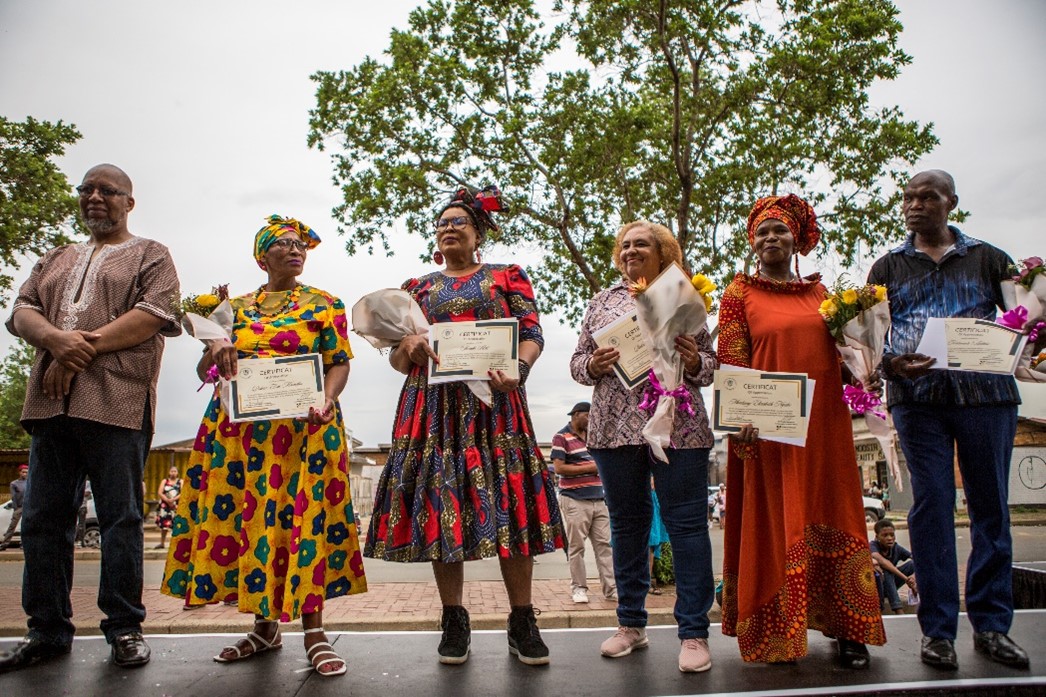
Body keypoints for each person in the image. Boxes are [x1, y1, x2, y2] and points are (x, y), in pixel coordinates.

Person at [161, 215, 367, 677]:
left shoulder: (324, 303)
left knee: (304, 523)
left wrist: (328, 399)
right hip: (241, 438)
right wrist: (213, 350)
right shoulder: (232, 308)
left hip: (305, 434)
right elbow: (204, 375)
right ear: (262, 256)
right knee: (252, 522)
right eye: (284, 244)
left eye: (300, 245)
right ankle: (264, 627)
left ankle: (314, 631)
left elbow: (338, 364)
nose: (296, 250)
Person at [365, 187, 562, 666]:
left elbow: (532, 334)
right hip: (431, 412)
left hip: (496, 406)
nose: (448, 227)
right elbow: (396, 356)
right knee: (441, 500)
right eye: (442, 223)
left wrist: (519, 366)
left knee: (509, 503)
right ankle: (453, 619)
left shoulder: (506, 276)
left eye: (458, 222)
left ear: (479, 233)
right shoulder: (416, 288)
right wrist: (407, 350)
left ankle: (522, 619)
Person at [0, 164, 180, 672]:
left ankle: (124, 627)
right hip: (51, 406)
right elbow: (21, 313)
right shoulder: (56, 258)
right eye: (87, 189)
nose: (95, 197)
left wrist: (74, 348)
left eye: (108, 190)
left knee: (121, 518)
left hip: (116, 403)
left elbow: (153, 314)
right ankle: (47, 631)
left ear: (129, 202)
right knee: (42, 521)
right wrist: (54, 340)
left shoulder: (151, 254)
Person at [868, 169, 1038, 670]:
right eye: (908, 198)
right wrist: (889, 364)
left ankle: (991, 626)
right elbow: (867, 341)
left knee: (990, 509)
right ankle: (937, 631)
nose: (915, 205)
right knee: (932, 507)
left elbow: (1023, 321)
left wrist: (1028, 340)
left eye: (928, 197)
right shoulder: (887, 268)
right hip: (917, 401)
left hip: (986, 397)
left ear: (951, 203)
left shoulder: (990, 259)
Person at [717, 194, 885, 668]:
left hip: (825, 428)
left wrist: (867, 370)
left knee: (834, 509)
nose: (771, 238)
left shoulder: (824, 296)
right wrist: (740, 418)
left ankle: (847, 630)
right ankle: (778, 632)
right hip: (765, 432)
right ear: (753, 242)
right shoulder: (738, 294)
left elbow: (849, 358)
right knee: (775, 518)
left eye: (780, 231)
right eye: (762, 232)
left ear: (797, 239)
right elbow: (731, 359)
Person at [570, 220, 717, 673]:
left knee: (688, 527)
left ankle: (693, 634)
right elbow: (577, 365)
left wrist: (695, 360)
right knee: (627, 527)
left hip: (679, 428)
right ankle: (631, 625)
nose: (631, 251)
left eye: (642, 244)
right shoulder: (602, 302)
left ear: (662, 251)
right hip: (615, 430)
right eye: (625, 245)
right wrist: (593, 363)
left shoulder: (684, 293)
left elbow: (710, 367)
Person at [552, 401, 616, 604]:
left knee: (605, 546)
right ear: (576, 414)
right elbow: (559, 468)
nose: (591, 419)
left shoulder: (594, 437)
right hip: (574, 499)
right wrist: (591, 468)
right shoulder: (561, 437)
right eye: (588, 415)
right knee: (577, 547)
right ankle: (579, 588)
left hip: (599, 498)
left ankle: (611, 589)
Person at [870, 519, 915, 614]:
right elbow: (883, 562)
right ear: (877, 537)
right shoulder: (873, 546)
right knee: (887, 571)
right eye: (885, 535)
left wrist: (913, 579)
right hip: (878, 588)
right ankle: (898, 610)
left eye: (892, 535)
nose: (890, 538)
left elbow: (917, 560)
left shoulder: (896, 547)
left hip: (891, 585)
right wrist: (906, 579)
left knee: (913, 564)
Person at [0, 464, 28, 550]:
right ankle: (4, 543)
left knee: (25, 526)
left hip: (28, 507)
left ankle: (23, 544)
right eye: (23, 472)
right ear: (19, 472)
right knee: (12, 526)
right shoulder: (14, 483)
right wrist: (16, 508)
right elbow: (14, 497)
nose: (25, 474)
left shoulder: (30, 482)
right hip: (19, 507)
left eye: (26, 472)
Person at [154, 466, 182, 549]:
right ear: (169, 472)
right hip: (165, 506)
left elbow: (182, 492)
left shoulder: (180, 481)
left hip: (176, 505)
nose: (173, 473)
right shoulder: (164, 481)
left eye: (175, 471)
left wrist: (173, 500)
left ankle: (176, 544)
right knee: (164, 525)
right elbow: (160, 492)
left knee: (176, 524)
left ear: (177, 473)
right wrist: (167, 500)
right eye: (171, 471)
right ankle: (162, 543)